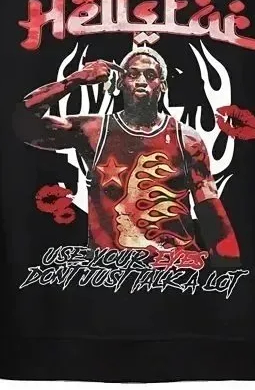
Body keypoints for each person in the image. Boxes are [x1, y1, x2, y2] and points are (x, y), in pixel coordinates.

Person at [14, 47, 241, 267]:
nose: (141, 81)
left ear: (162, 85)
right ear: (121, 82)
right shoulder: (93, 131)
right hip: (112, 273)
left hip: (173, 271)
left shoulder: (187, 139)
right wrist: (76, 79)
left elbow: (211, 213)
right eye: (133, 74)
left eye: (150, 75)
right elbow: (23, 123)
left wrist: (230, 272)